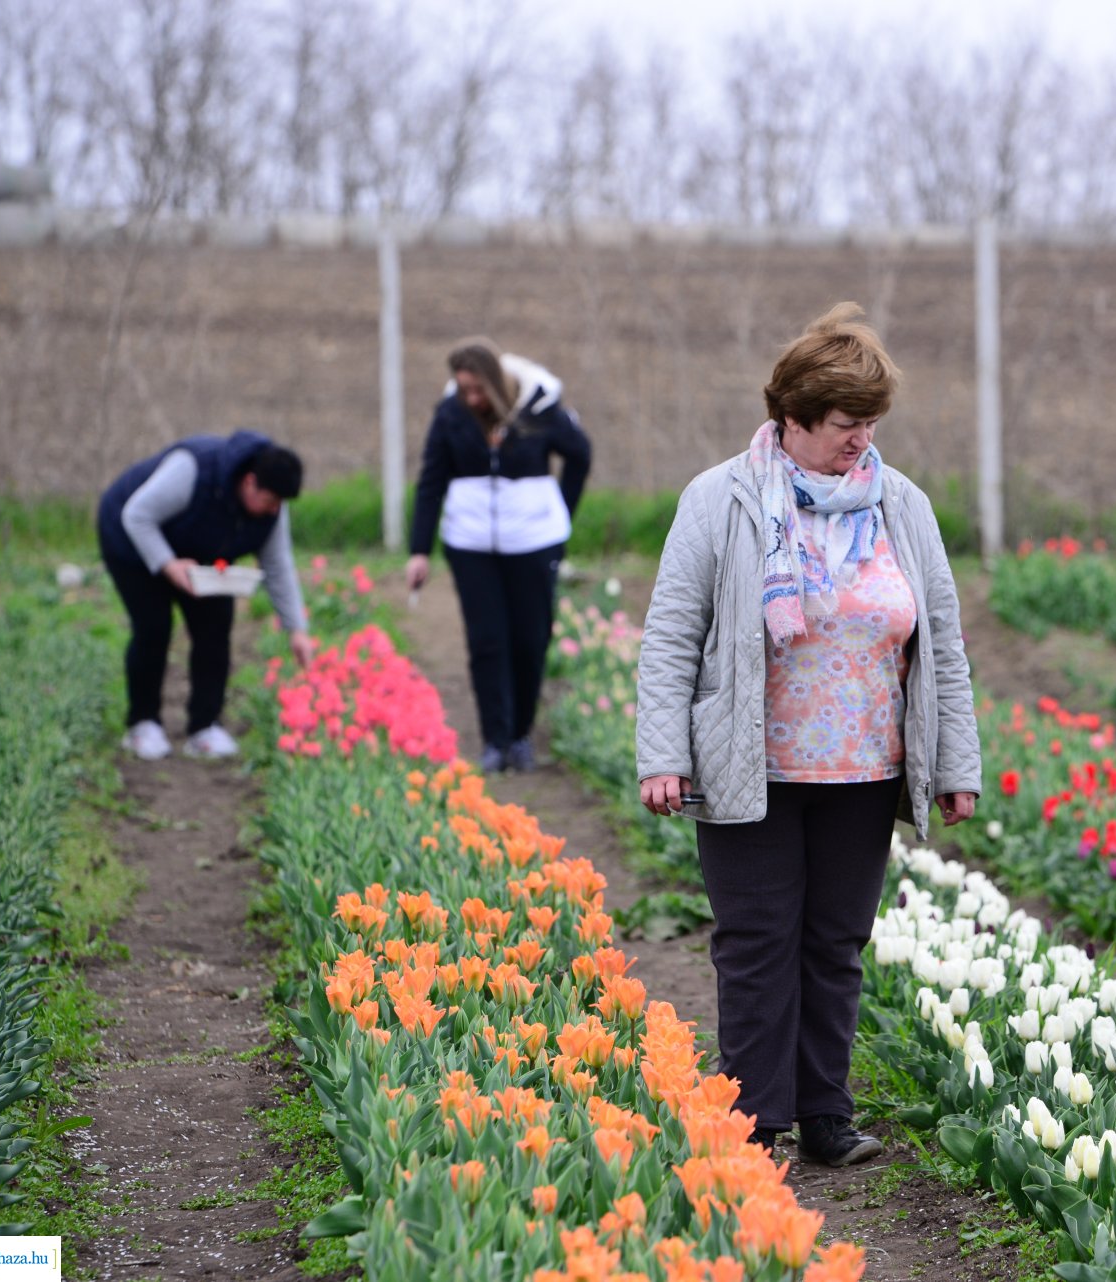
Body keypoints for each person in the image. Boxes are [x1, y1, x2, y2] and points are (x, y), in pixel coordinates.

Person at [635, 303, 981, 1166]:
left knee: (835, 944)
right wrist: (663, 755)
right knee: (755, 942)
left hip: (864, 766)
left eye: (870, 423)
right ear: (790, 416)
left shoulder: (900, 505)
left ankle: (826, 1113)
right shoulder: (720, 499)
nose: (860, 441)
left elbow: (942, 642)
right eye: (843, 423)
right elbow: (672, 634)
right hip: (749, 761)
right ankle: (756, 1118)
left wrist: (955, 763)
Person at [406, 339, 592, 773]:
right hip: (470, 544)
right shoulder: (450, 413)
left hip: (533, 542)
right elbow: (431, 479)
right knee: (486, 640)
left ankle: (521, 735)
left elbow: (580, 455)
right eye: (464, 389)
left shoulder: (539, 410)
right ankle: (496, 739)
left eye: (479, 389)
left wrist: (559, 512)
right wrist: (419, 549)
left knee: (529, 639)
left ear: (496, 383)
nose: (472, 399)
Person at [97, 430, 317, 760]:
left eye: (280, 504)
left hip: (202, 557)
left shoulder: (272, 507)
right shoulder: (193, 470)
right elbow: (137, 515)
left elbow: (277, 565)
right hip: (133, 541)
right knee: (153, 627)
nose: (275, 511)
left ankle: (204, 726)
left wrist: (296, 628)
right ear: (249, 483)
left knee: (215, 628)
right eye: (271, 501)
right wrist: (168, 564)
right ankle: (143, 723)